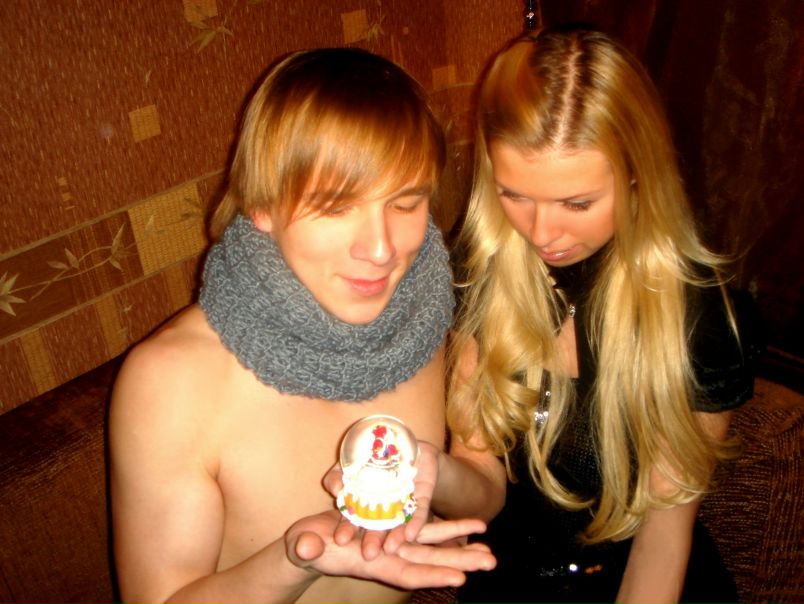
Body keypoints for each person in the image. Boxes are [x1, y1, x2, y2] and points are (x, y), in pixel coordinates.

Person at [109, 47, 495, 604]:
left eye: (405, 204)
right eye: (337, 208)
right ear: (263, 204)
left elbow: (486, 492)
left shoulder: (439, 320)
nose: (381, 249)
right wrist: (295, 560)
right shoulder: (169, 381)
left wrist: (438, 473)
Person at [420, 25, 764, 604]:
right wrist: (430, 471)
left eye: (576, 203)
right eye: (514, 195)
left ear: (636, 171)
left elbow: (663, 537)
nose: (542, 233)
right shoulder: (481, 271)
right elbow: (482, 481)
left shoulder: (701, 316)